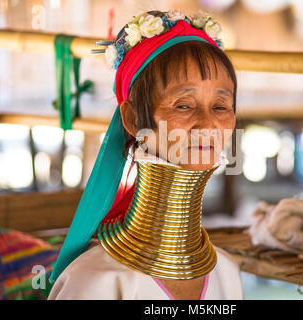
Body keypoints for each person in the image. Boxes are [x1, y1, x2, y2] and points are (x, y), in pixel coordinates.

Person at [48, 9, 244, 300]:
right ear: (133, 120)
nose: (207, 124)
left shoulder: (227, 273)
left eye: (220, 107)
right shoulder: (94, 284)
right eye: (183, 105)